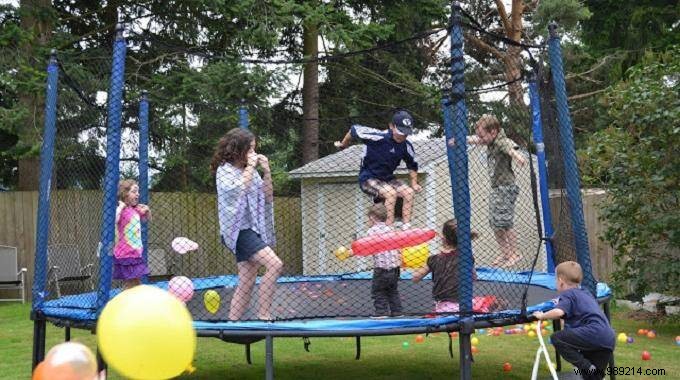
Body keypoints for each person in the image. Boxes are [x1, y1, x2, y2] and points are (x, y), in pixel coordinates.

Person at [211, 128, 283, 321]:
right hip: (238, 230)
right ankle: (264, 314)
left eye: (254, 149)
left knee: (247, 280)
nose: (254, 154)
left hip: (253, 228)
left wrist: (266, 172)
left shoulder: (250, 172)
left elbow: (267, 197)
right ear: (239, 150)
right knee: (275, 264)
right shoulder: (224, 171)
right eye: (250, 150)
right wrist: (251, 167)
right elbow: (237, 191)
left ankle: (232, 323)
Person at [449, 114, 527, 267]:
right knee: (495, 223)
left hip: (506, 188)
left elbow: (509, 147)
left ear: (493, 132)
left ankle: (515, 253)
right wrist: (459, 140)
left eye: (483, 136)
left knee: (504, 222)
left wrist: (518, 157)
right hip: (497, 189)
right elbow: (475, 139)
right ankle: (506, 254)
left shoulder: (500, 141)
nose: (481, 140)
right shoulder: (489, 141)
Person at [334, 110, 422, 228]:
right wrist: (343, 144)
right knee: (391, 193)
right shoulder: (377, 137)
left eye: (406, 133)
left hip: (387, 178)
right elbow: (354, 129)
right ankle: (388, 226)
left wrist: (414, 183)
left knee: (409, 192)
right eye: (400, 131)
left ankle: (406, 225)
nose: (403, 135)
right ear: (391, 126)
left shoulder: (406, 146)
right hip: (368, 177)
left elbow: (412, 164)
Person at [533, 261, 615, 380]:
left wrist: (542, 315)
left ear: (560, 281)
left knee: (557, 338)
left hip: (593, 333)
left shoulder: (568, 295)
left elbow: (559, 312)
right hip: (608, 338)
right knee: (593, 377)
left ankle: (586, 366)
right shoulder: (585, 293)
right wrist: (560, 302)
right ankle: (590, 369)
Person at [412, 219, 477, 313]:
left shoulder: (434, 259)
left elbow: (415, 278)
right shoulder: (466, 257)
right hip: (465, 305)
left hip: (444, 307)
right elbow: (474, 277)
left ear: (444, 238)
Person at [361, 203, 403, 318]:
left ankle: (381, 312)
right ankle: (397, 311)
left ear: (372, 217)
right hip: (395, 268)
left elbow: (366, 248)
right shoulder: (390, 229)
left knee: (378, 291)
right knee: (392, 290)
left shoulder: (371, 231)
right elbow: (398, 246)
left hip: (381, 268)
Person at [114, 179, 151, 290]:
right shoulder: (122, 210)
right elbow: (114, 220)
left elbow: (148, 219)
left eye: (138, 191)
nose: (138, 194)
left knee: (135, 282)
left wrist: (148, 211)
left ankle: (131, 302)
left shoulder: (134, 210)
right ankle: (127, 303)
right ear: (125, 193)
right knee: (131, 283)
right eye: (134, 191)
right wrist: (120, 207)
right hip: (126, 254)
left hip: (135, 253)